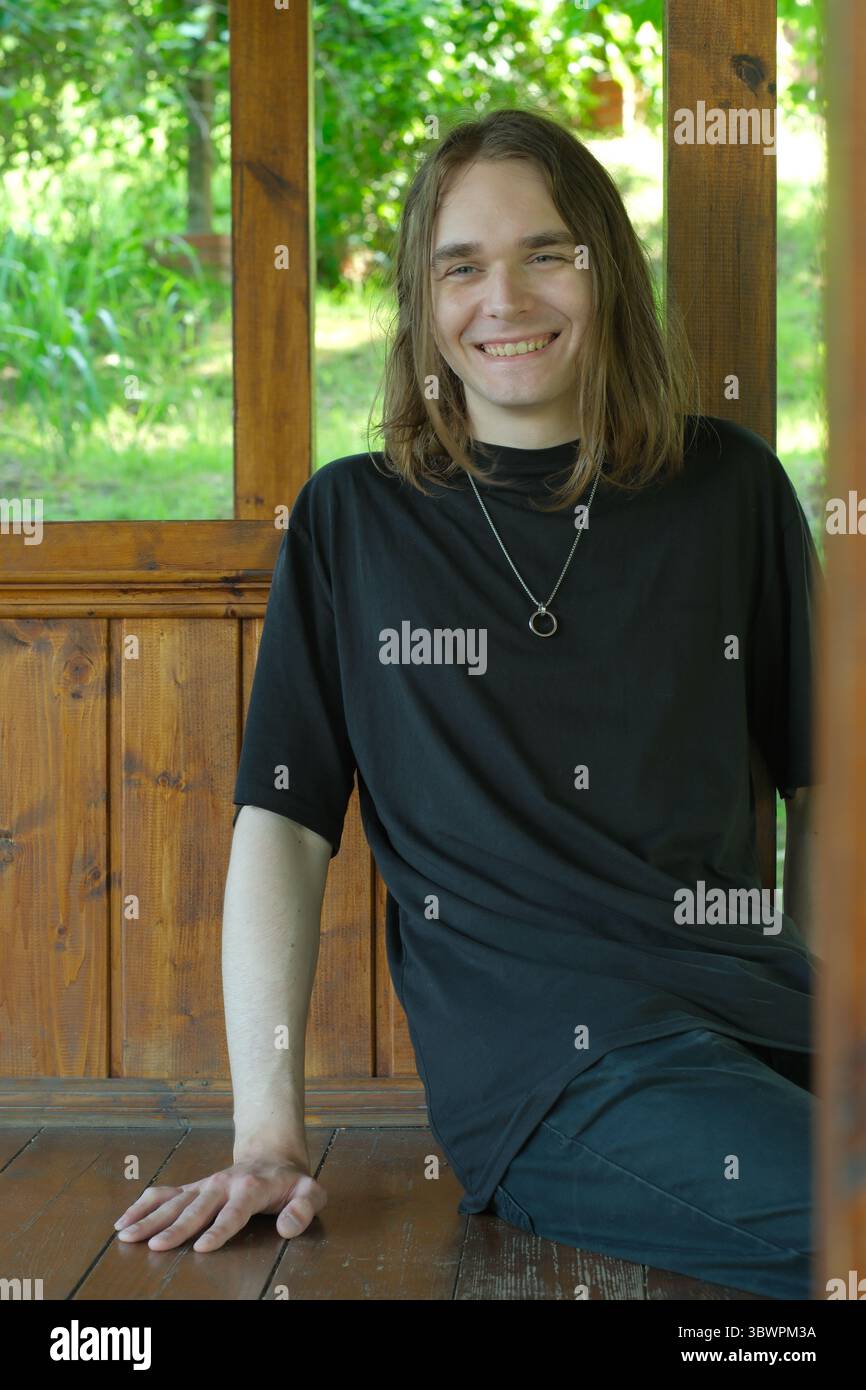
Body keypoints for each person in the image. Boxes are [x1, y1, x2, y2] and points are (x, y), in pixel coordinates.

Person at [114, 108, 821, 1301]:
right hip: (552, 1068)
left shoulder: (730, 488)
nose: (504, 298)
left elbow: (824, 780)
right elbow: (282, 828)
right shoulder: (354, 521)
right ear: (422, 301)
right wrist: (267, 1137)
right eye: (460, 266)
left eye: (546, 253)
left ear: (606, 271)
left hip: (765, 1015)